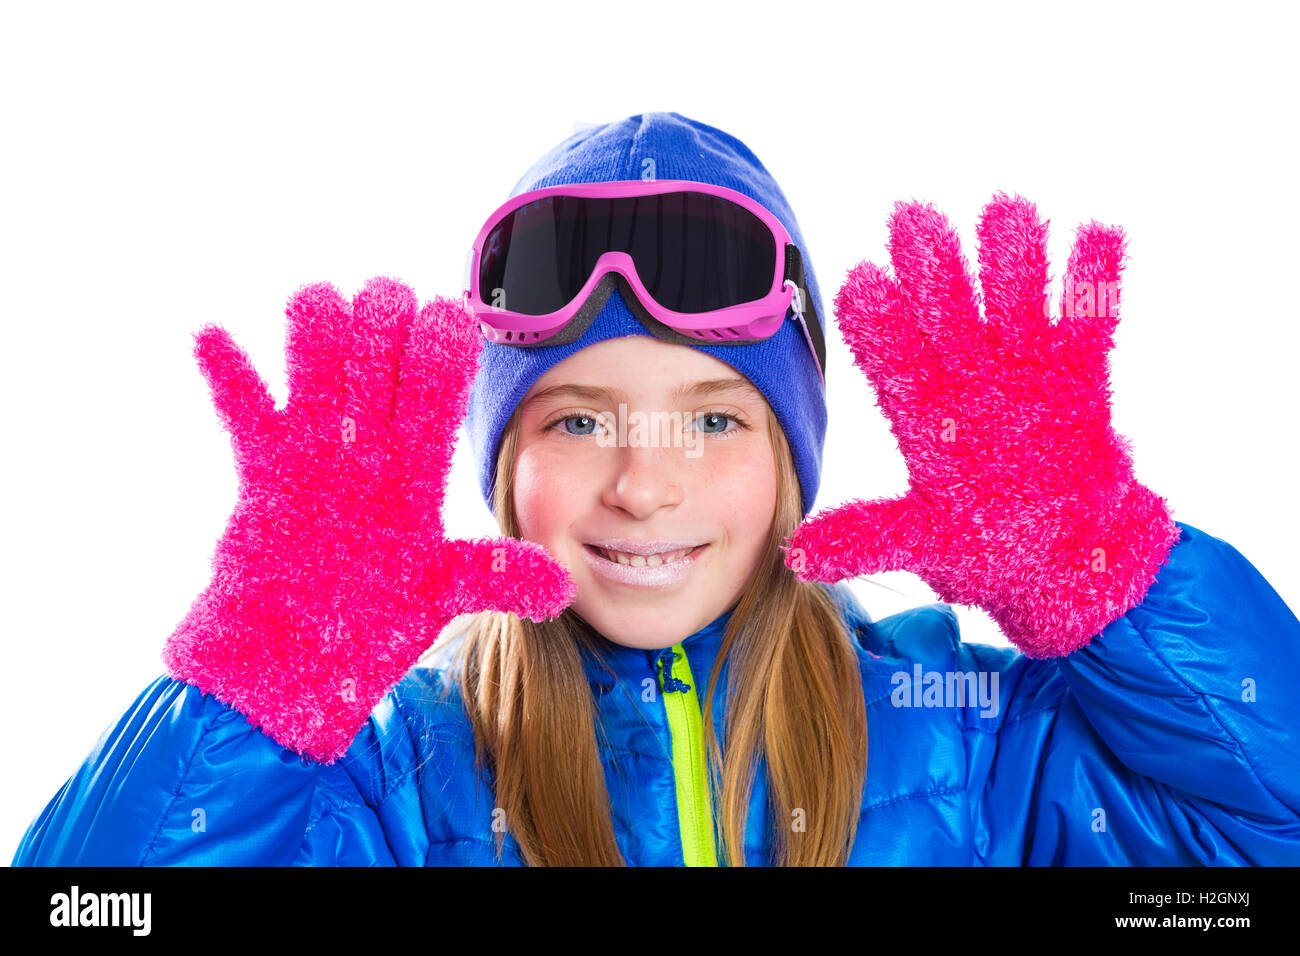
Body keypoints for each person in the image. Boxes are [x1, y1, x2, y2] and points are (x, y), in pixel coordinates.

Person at [12, 112, 1300, 867]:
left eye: (715, 418)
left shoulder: (964, 732)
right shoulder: (390, 778)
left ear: (795, 464)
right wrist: (254, 678)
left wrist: (1104, 574)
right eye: (577, 418)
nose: (640, 485)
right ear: (501, 466)